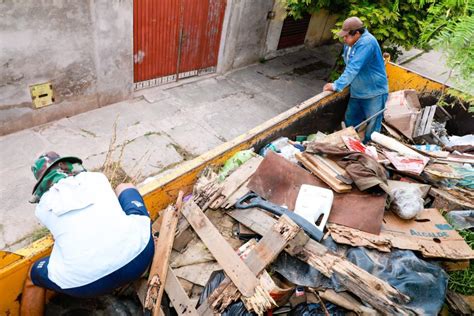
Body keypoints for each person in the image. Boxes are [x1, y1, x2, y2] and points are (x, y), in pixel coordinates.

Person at [21, 152, 154, 315]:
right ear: (69, 166)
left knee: (33, 277)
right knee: (124, 187)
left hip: (85, 285)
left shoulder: (42, 208)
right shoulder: (97, 178)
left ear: (42, 184)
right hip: (141, 256)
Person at [323, 16, 389, 143]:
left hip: (374, 92)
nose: (344, 38)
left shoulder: (367, 43)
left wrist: (336, 85)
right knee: (350, 121)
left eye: (347, 36)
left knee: (372, 127)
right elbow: (349, 66)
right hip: (357, 91)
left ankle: (368, 149)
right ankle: (348, 145)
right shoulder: (350, 44)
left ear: (357, 33)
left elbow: (354, 67)